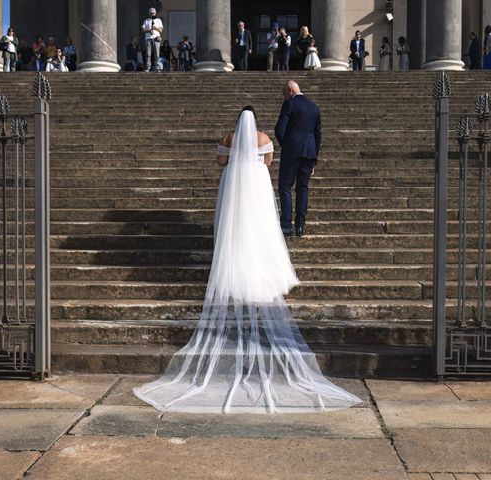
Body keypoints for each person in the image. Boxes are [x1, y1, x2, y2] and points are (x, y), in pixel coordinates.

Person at [132, 104, 361, 413]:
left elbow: (220, 161)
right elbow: (267, 161)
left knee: (234, 224)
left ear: (238, 121)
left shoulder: (228, 137)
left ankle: (232, 262)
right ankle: (260, 264)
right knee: (258, 224)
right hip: (256, 184)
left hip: (233, 182)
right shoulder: (264, 136)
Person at [275, 80, 320, 238]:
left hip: (292, 150)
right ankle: (300, 225)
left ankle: (286, 225)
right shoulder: (314, 107)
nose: (284, 97)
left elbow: (279, 129)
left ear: (290, 90)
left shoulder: (289, 104)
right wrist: (314, 158)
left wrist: (285, 145)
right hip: (309, 152)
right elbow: (317, 135)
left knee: (285, 186)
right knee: (303, 187)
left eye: (284, 94)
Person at [142, 7, 164, 72]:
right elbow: (143, 29)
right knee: (148, 54)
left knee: (157, 53)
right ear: (149, 13)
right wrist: (149, 30)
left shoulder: (158, 20)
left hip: (156, 38)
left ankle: (157, 67)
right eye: (151, 13)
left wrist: (155, 27)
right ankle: (148, 67)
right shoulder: (146, 20)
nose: (152, 14)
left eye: (153, 13)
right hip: (148, 38)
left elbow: (161, 30)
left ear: (155, 13)